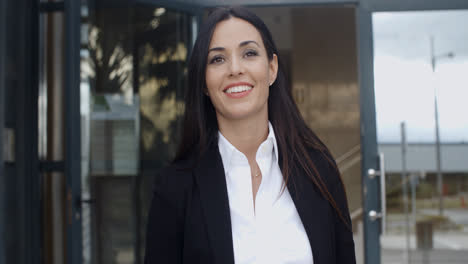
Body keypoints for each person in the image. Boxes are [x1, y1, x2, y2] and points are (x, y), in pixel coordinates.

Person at [144, 6, 356, 264]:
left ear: (272, 69)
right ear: (203, 82)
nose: (235, 69)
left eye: (249, 53)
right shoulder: (174, 187)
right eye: (217, 59)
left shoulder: (318, 169)